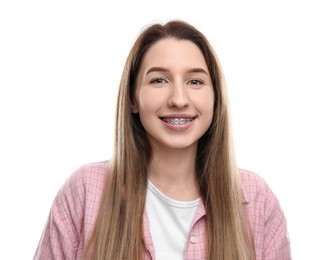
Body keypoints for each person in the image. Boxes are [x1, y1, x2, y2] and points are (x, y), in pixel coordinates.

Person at [34, 20, 291, 260]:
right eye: (159, 80)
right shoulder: (85, 190)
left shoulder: (257, 199)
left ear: (215, 98)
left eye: (195, 81)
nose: (178, 99)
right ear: (133, 98)